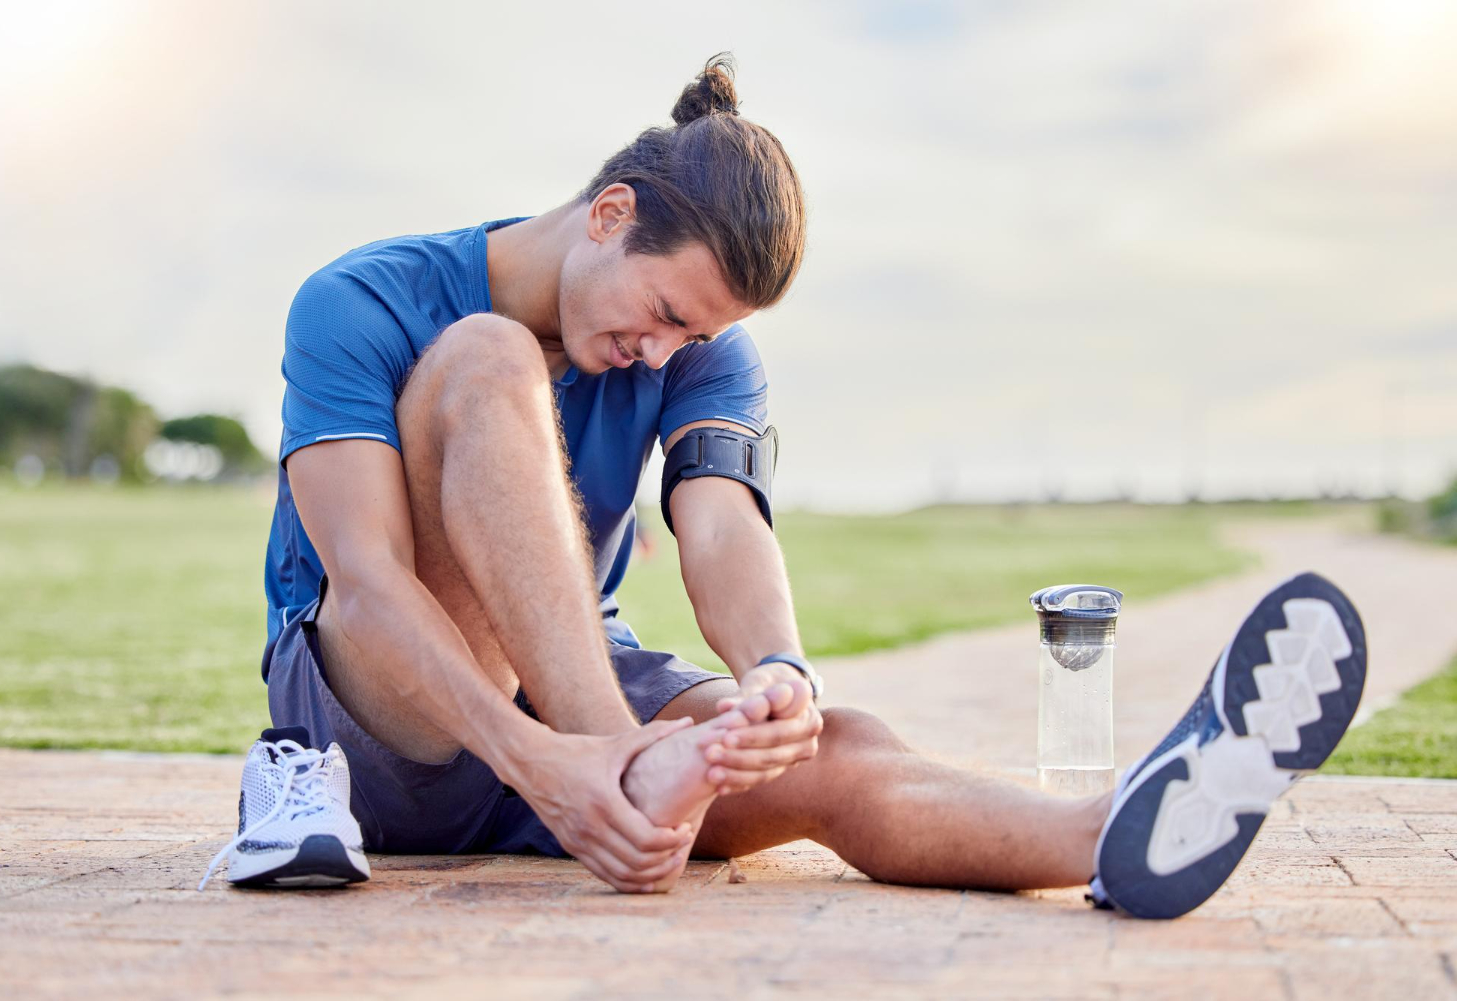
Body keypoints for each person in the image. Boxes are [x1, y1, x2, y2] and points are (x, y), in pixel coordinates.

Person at [199, 55, 1368, 919]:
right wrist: (554, 757)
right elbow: (363, 587)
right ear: (610, 216)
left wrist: (777, 671)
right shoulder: (361, 300)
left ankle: (1112, 832)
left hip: (577, 715)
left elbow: (718, 528)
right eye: (661, 312)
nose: (662, 353)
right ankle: (629, 761)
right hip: (386, 722)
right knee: (486, 356)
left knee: (835, 742)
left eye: (692, 335)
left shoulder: (705, 343)